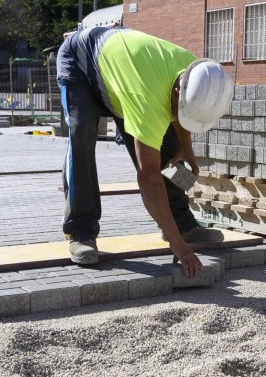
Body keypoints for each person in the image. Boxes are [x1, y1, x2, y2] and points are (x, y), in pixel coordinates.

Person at [57, 26, 234, 276]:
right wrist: (178, 247)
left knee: (171, 151)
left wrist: (186, 147)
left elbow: (181, 113)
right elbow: (148, 176)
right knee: (82, 135)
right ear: (176, 93)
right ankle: (81, 232)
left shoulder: (200, 74)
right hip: (80, 62)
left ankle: (182, 224)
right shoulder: (147, 99)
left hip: (126, 74)